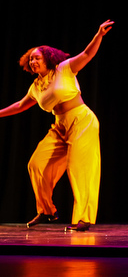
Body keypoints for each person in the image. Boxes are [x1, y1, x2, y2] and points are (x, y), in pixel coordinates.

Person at [0, 20, 114, 232]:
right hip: (60, 126)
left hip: (81, 120)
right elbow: (20, 105)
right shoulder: (36, 86)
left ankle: (84, 218)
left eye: (37, 58)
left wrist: (98, 34)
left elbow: (87, 55)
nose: (33, 61)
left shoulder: (65, 69)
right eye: (31, 59)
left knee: (80, 168)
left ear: (48, 58)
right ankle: (46, 210)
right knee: (36, 164)